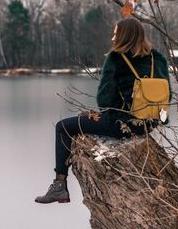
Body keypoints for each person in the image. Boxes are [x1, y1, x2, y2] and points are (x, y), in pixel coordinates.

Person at [35, 18, 171, 204]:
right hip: (148, 124)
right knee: (85, 119)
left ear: (124, 36)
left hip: (121, 125)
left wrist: (110, 112)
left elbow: (104, 100)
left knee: (63, 126)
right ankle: (59, 187)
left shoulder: (116, 58)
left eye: (115, 33)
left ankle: (60, 186)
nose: (113, 37)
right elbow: (167, 96)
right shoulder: (158, 59)